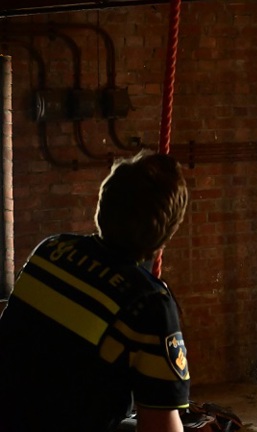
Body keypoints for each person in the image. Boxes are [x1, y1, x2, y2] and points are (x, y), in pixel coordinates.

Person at [0, 151, 191, 432]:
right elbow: (160, 426)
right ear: (166, 232)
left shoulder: (50, 250)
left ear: (103, 205)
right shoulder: (149, 302)